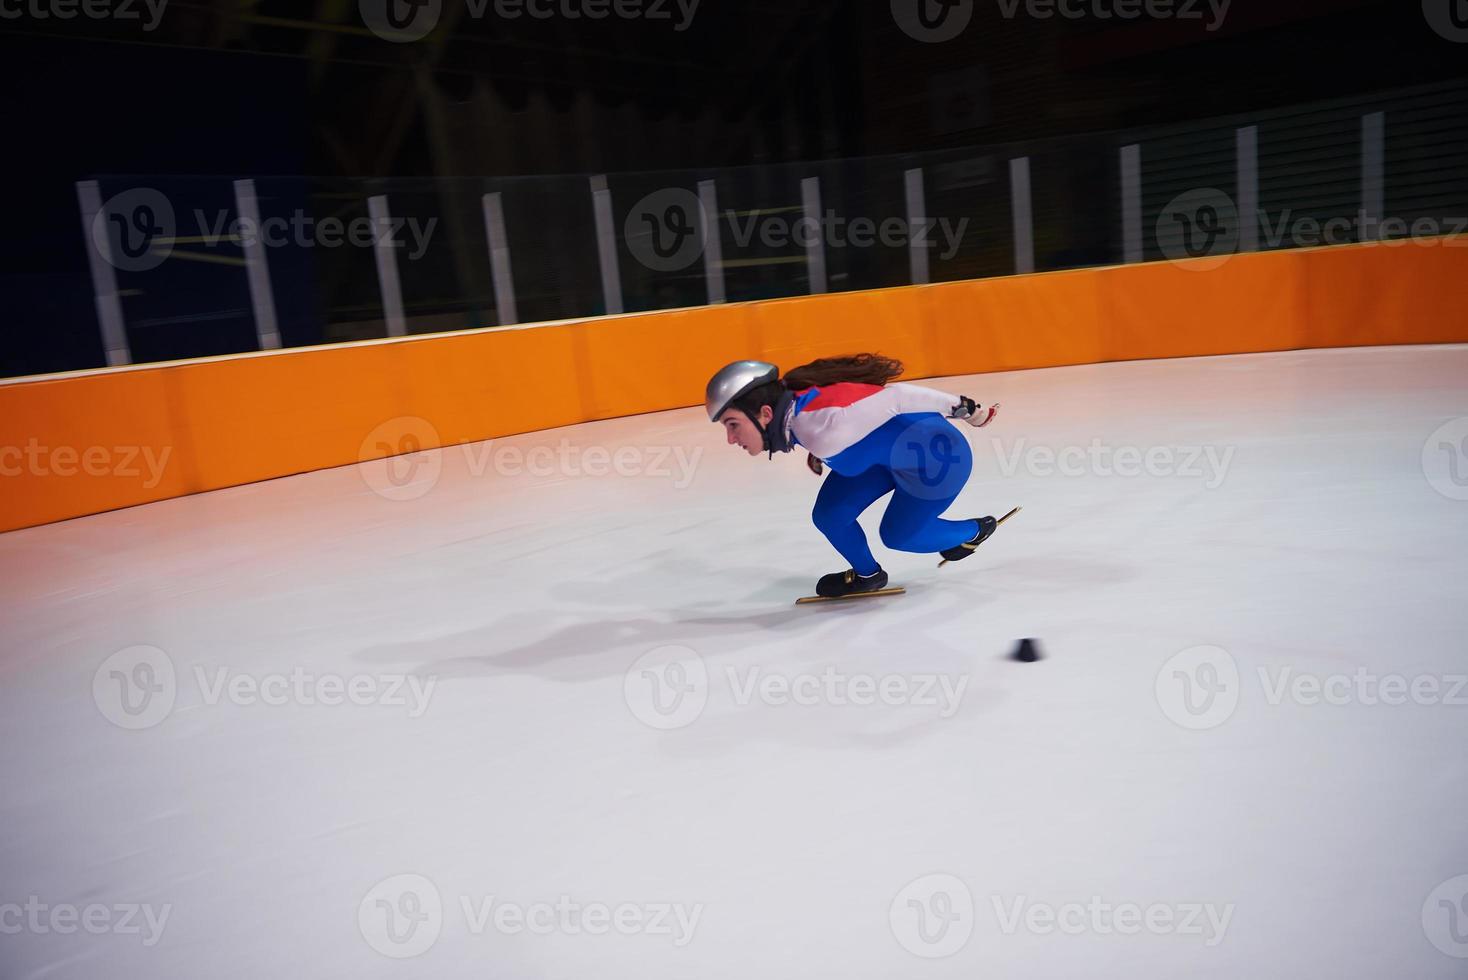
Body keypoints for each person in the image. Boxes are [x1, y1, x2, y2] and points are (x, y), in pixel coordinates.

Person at [705, 353, 1001, 598]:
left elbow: (898, 396)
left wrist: (968, 410)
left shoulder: (822, 431)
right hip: (885, 459)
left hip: (939, 461)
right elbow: (841, 411)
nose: (732, 439)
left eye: (733, 425)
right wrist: (818, 449)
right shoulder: (796, 407)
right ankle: (868, 575)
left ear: (765, 414)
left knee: (898, 535)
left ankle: (974, 531)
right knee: (830, 515)